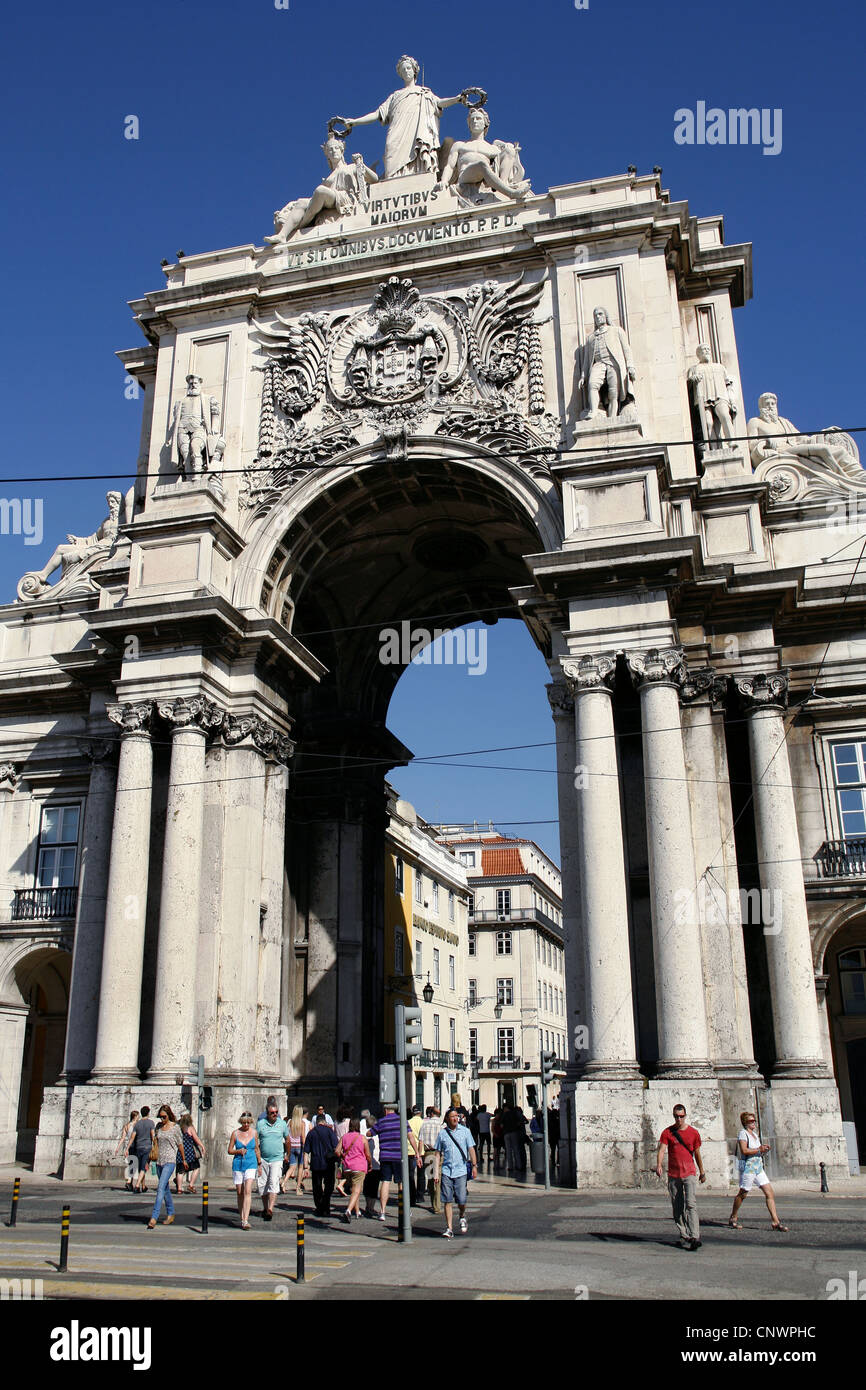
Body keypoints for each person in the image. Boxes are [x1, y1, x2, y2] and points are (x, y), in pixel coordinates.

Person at [339, 55, 466, 180]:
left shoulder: (424, 92)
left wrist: (457, 99)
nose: (406, 71)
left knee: (418, 152)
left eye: (409, 68)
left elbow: (439, 103)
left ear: (414, 70)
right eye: (403, 69)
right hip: (397, 131)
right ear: (400, 73)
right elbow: (377, 114)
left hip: (417, 131)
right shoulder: (395, 96)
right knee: (391, 153)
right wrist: (354, 122)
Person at [656, 1103, 706, 1251]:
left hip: (689, 1172)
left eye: (682, 1116)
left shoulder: (693, 1133)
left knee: (691, 1204)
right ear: (673, 1116)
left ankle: (695, 1236)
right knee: (677, 1207)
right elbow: (662, 1149)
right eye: (677, 1116)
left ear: (685, 1116)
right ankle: (685, 1234)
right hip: (674, 1174)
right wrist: (659, 1164)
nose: (679, 1119)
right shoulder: (667, 1132)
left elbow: (697, 1153)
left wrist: (702, 1171)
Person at [728, 1111, 789, 1232]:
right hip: (748, 1167)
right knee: (743, 1193)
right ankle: (733, 1216)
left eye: (754, 1120)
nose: (754, 1122)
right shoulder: (743, 1134)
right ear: (745, 1122)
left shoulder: (754, 1135)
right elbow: (744, 1150)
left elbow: (756, 1151)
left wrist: (763, 1149)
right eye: (751, 1121)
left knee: (769, 1192)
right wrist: (758, 1149)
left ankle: (775, 1221)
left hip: (758, 1167)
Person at [577, 306, 637, 420]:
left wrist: (630, 366)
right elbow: (587, 359)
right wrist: (583, 376)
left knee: (613, 392)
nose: (598, 317)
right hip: (599, 364)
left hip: (613, 364)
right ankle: (593, 411)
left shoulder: (617, 331)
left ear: (606, 316)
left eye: (600, 314)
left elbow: (626, 350)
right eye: (595, 316)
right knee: (592, 384)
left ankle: (613, 417)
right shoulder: (591, 338)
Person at [368, 1104, 422, 1222]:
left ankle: (382, 1212)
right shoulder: (402, 1121)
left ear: (386, 1110)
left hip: (385, 1156)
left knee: (385, 1182)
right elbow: (410, 1137)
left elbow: (369, 1133)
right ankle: (405, 1210)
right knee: (401, 1184)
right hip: (399, 1156)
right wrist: (417, 1152)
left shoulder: (381, 1122)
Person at [435, 1107, 478, 1238]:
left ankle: (462, 1215)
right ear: (447, 1119)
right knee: (447, 1200)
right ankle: (449, 1228)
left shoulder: (465, 1132)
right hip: (447, 1171)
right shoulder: (442, 1134)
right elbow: (437, 1153)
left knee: (461, 1199)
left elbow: (471, 1149)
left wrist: (475, 1165)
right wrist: (436, 1172)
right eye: (452, 1116)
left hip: (461, 1170)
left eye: (456, 1116)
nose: (455, 1118)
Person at [146, 1106, 187, 1229]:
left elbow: (180, 1145)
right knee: (165, 1189)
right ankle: (170, 1213)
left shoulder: (175, 1128)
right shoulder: (158, 1127)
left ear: (169, 1115)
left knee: (160, 1187)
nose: (162, 1119)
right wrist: (148, 1160)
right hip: (159, 1161)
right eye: (160, 1117)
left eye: (164, 1116)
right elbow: (155, 1143)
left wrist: (184, 1159)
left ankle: (154, 1217)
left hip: (170, 1161)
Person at [257, 1099, 289, 1221]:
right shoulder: (260, 1124)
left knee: (273, 1182)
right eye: (272, 1113)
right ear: (267, 1113)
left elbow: (287, 1140)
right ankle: (265, 1208)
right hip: (264, 1159)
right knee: (263, 1184)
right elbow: (256, 1141)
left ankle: (270, 1209)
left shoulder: (282, 1124)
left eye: (276, 1112)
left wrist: (287, 1154)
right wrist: (258, 1157)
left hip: (277, 1158)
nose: (275, 1114)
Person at [228, 1111, 261, 1230]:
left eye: (248, 1122)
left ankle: (245, 1220)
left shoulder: (254, 1133)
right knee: (240, 1192)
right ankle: (242, 1216)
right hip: (238, 1164)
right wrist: (238, 1151)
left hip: (251, 1163)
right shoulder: (235, 1133)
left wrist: (259, 1164)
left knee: (248, 1190)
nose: (246, 1125)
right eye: (244, 1123)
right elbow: (229, 1150)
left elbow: (257, 1149)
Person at [335, 1119, 371, 1221]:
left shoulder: (344, 1137)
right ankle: (348, 1211)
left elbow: (337, 1151)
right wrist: (370, 1164)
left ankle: (357, 1211)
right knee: (357, 1190)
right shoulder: (362, 1138)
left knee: (354, 1190)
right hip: (359, 1167)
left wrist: (342, 1156)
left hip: (347, 1167)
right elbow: (368, 1155)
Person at [304, 1113, 339, 1216]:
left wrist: (306, 1167)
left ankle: (319, 1206)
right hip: (328, 1163)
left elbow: (306, 1151)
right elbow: (336, 1147)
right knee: (329, 1185)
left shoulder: (311, 1133)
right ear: (324, 1122)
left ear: (316, 1122)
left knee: (317, 1186)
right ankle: (326, 1204)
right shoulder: (329, 1131)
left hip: (316, 1163)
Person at [174, 1114, 205, 1196]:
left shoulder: (178, 1128)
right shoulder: (190, 1128)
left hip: (181, 1151)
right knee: (196, 1167)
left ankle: (179, 1189)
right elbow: (196, 1138)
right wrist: (202, 1146)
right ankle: (191, 1185)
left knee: (181, 1170)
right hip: (190, 1152)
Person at [418, 1106, 443, 1213]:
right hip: (438, 1153)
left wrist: (419, 1155)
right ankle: (437, 1205)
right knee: (438, 1179)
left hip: (427, 1153)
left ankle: (434, 1203)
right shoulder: (442, 1125)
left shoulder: (424, 1124)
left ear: (431, 1113)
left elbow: (420, 1141)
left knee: (431, 1178)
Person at [283, 1104, 311, 1195]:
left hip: (291, 1146)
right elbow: (303, 1137)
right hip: (299, 1146)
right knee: (300, 1167)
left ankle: (284, 1182)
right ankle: (298, 1188)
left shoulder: (290, 1122)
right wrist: (306, 1147)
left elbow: (287, 1135)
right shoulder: (302, 1123)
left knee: (292, 1167)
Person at [127, 1106, 155, 1193]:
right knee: (144, 1167)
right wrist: (154, 1145)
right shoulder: (151, 1123)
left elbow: (132, 1137)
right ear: (148, 1113)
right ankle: (137, 1185)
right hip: (147, 1147)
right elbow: (152, 1135)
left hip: (138, 1147)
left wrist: (127, 1147)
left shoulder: (137, 1124)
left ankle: (143, 1186)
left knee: (141, 1167)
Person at [114, 1110, 139, 1190]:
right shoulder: (136, 1125)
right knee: (134, 1164)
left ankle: (130, 1182)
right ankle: (129, 1181)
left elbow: (122, 1138)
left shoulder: (127, 1125)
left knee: (131, 1164)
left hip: (128, 1146)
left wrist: (118, 1147)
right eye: (138, 1116)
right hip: (135, 1145)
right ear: (135, 1116)